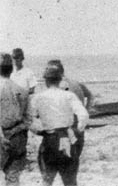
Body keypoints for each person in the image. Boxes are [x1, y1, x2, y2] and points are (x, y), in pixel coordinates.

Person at [30, 65, 89, 186]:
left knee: (47, 180)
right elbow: (83, 115)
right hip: (67, 139)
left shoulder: (38, 97)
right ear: (59, 80)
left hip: (49, 139)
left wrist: (37, 130)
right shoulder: (69, 96)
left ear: (46, 81)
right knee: (70, 181)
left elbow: (29, 118)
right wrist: (77, 130)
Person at [0, 53, 30, 186]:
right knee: (13, 176)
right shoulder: (22, 91)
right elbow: (28, 119)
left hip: (2, 135)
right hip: (18, 136)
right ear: (11, 69)